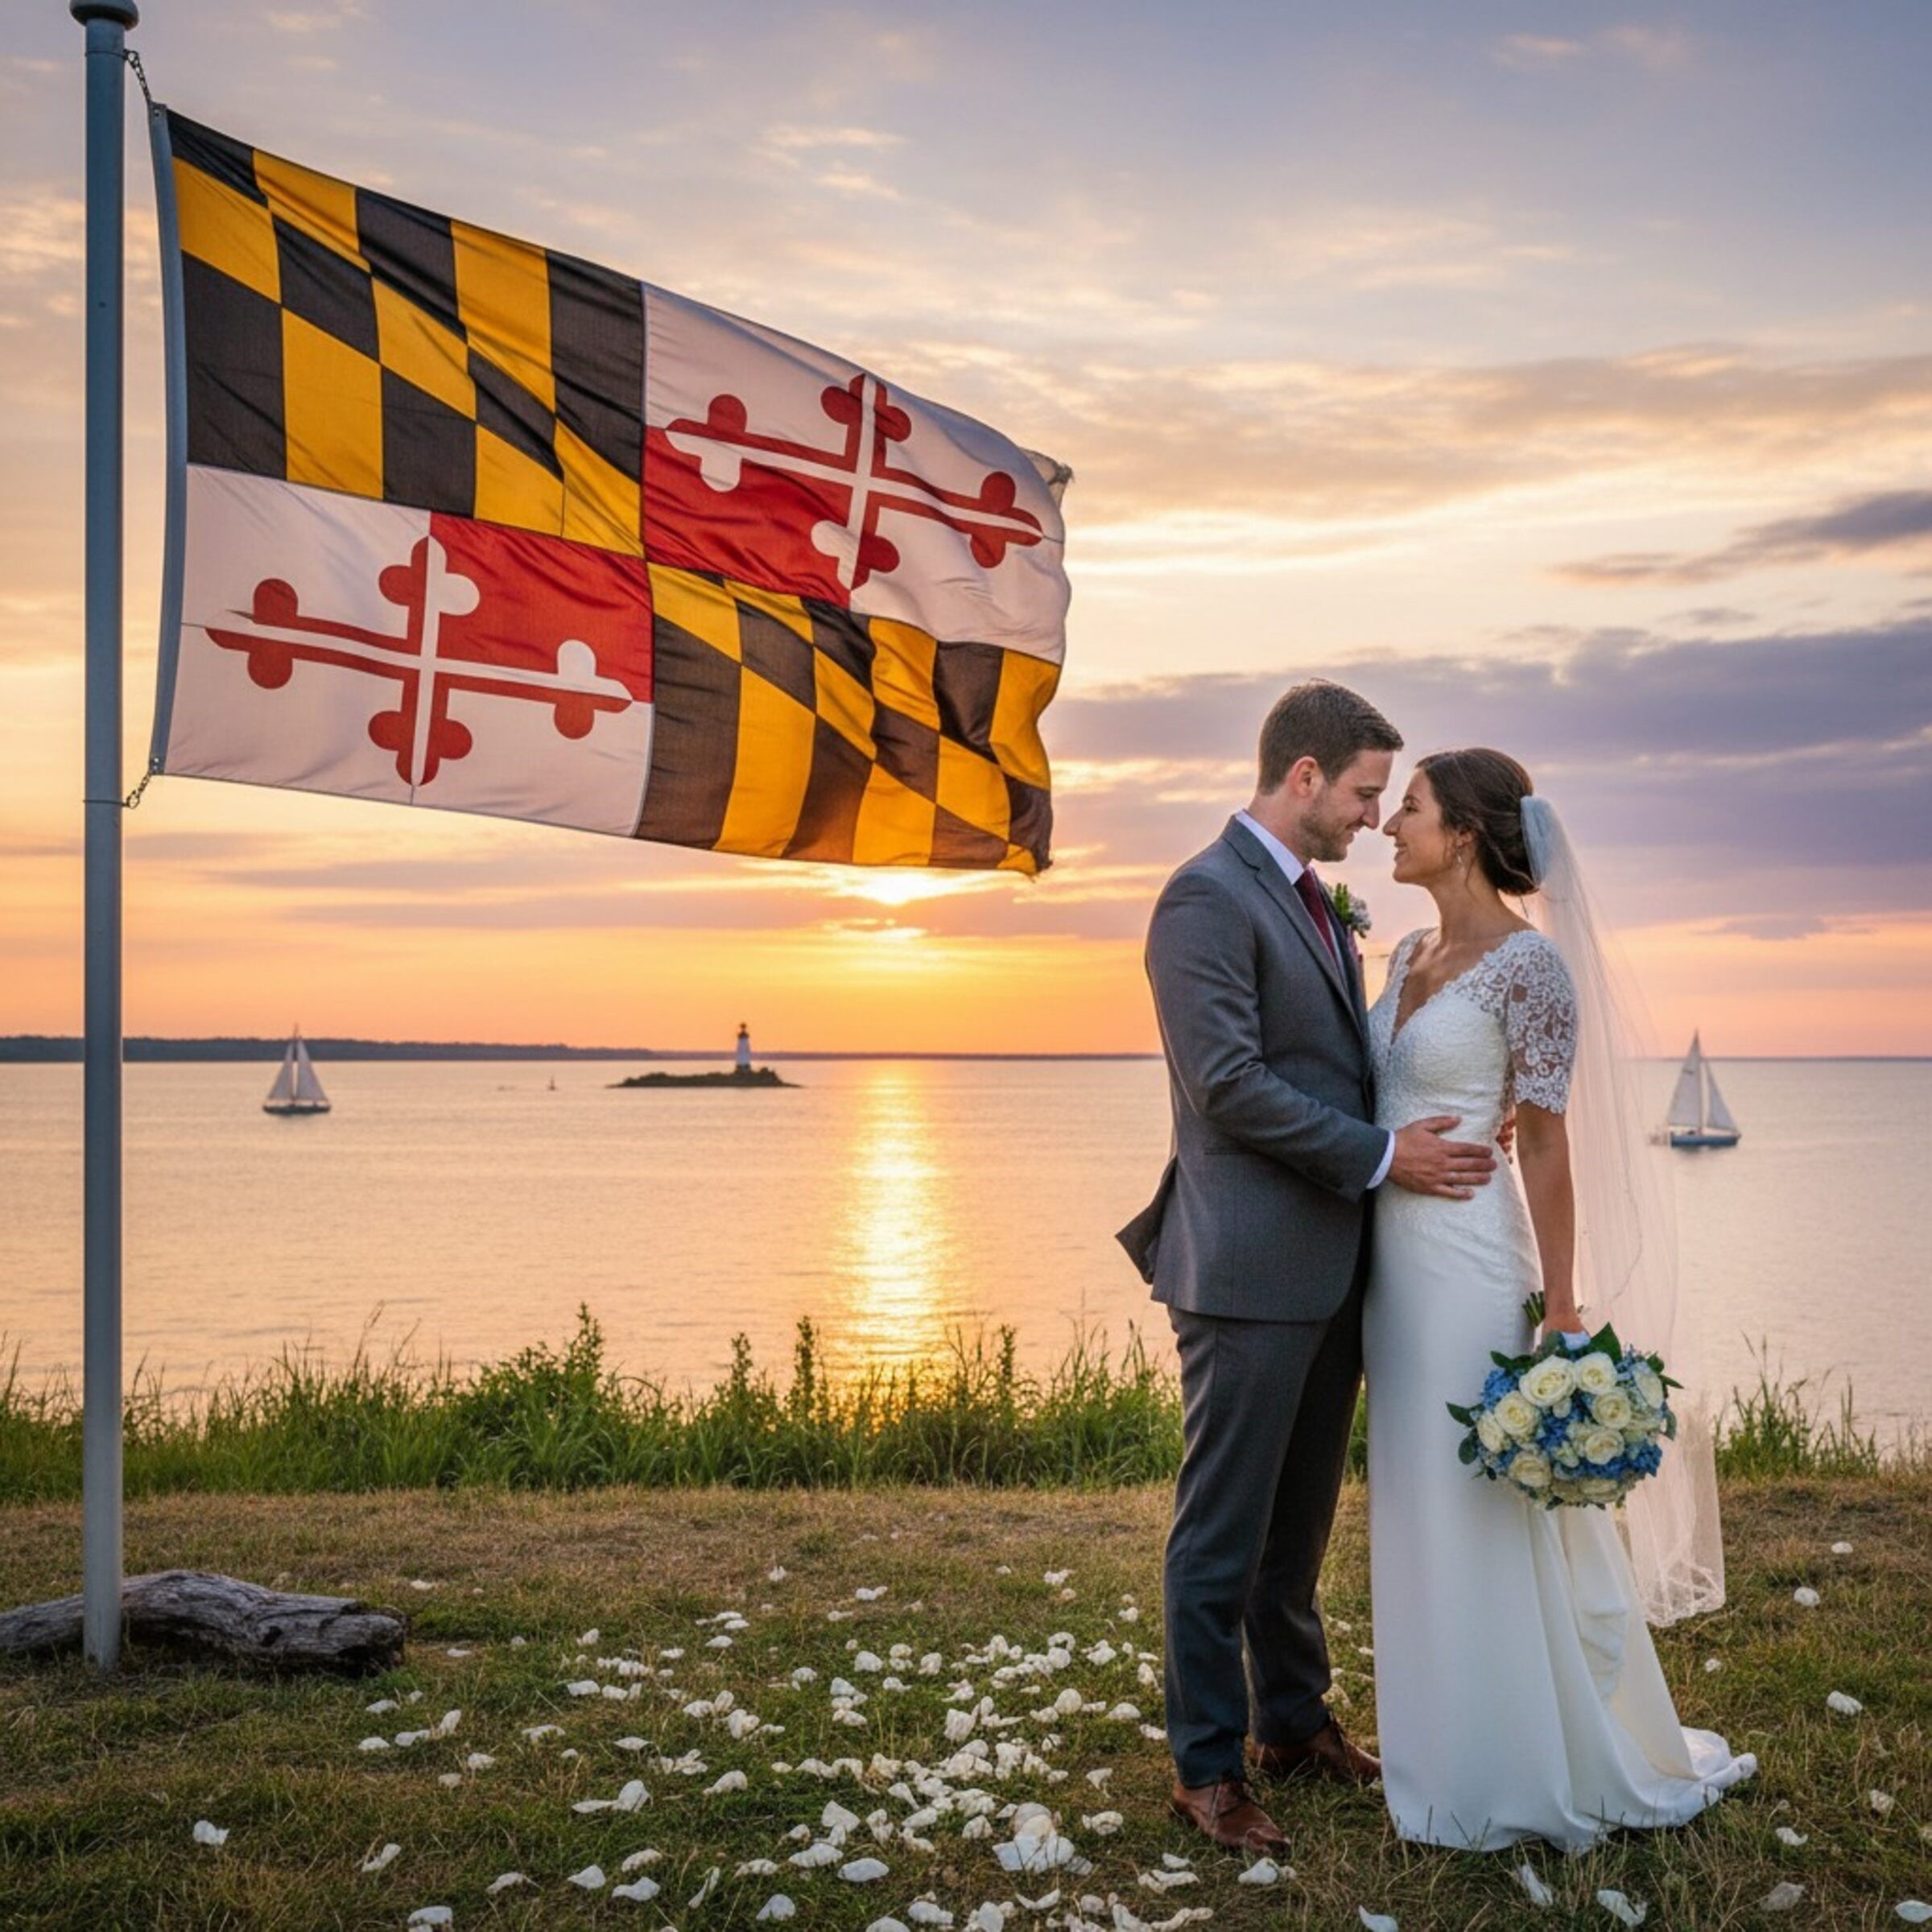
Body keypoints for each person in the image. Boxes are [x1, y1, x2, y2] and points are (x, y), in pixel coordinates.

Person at [1117, 679, 1502, 1855]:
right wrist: (1386, 1155)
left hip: (1332, 1269)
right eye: (1364, 793)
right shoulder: (1204, 897)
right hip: (1245, 1270)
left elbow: (1337, 1063)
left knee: (1295, 1536)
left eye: (1385, 798)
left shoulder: (1311, 902)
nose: (1374, 817)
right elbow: (1228, 1085)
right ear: (1303, 777)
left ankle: (1292, 1724)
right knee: (1221, 1536)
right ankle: (1206, 1770)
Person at [1362, 748, 1752, 1848]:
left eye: (1410, 807)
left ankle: (1517, 1758)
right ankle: (1439, 1744)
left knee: (1477, 1502)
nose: (1390, 824)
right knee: (1415, 1499)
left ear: (1464, 834)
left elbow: (1542, 1140)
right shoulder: (1402, 953)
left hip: (1470, 1265)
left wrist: (1564, 1307)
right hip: (1390, 1273)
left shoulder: (1531, 969)